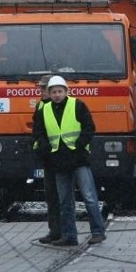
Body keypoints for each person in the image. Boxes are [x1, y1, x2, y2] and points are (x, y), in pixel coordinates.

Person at [32, 75, 106, 246]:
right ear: (49, 94)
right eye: (54, 92)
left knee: (89, 196)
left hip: (78, 159)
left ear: (66, 91)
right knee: (64, 200)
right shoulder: (45, 110)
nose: (57, 94)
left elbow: (89, 128)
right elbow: (39, 133)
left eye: (60, 91)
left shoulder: (77, 105)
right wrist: (47, 150)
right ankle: (69, 235)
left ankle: (97, 231)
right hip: (58, 161)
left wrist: (79, 145)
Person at [32, 74, 61, 244]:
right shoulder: (41, 105)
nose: (41, 91)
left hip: (63, 159)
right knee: (51, 196)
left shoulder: (59, 106)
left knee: (62, 197)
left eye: (44, 89)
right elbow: (37, 131)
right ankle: (54, 231)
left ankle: (64, 231)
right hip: (48, 159)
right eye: (41, 88)